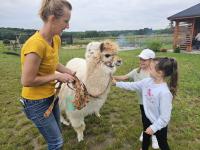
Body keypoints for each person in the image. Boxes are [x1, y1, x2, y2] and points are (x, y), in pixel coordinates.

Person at [20, 0, 75, 149]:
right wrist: (57, 76)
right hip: (36, 103)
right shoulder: (35, 45)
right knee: (56, 142)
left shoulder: (55, 39)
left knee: (58, 136)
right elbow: (26, 80)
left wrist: (68, 71)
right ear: (52, 19)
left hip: (51, 96)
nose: (68, 26)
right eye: (66, 21)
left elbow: (52, 63)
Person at [113, 57, 178, 150]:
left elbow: (165, 118)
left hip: (159, 124)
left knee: (163, 144)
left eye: (150, 68)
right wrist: (116, 84)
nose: (148, 70)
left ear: (160, 73)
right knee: (146, 137)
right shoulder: (147, 81)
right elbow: (132, 85)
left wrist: (154, 127)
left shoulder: (164, 93)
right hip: (147, 118)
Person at [114, 49, 159, 149]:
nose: (141, 61)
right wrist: (111, 77)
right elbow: (124, 77)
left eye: (144, 60)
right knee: (145, 119)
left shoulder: (156, 73)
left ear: (151, 61)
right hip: (142, 102)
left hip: (154, 103)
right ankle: (145, 132)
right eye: (140, 59)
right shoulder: (136, 71)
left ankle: (155, 136)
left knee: (154, 119)